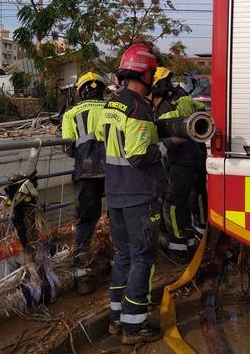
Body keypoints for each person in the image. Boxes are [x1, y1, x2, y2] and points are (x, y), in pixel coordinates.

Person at [96, 44, 181, 345]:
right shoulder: (139, 108)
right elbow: (138, 154)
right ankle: (135, 327)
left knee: (123, 256)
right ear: (145, 74)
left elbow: (103, 141)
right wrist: (167, 144)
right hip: (140, 195)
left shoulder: (111, 105)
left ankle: (116, 320)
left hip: (116, 193)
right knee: (143, 258)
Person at [151, 67, 208, 258]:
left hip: (181, 161)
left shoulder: (165, 109)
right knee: (196, 194)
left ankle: (178, 246)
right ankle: (198, 234)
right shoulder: (183, 96)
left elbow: (163, 136)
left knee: (173, 204)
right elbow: (201, 110)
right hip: (198, 155)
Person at [60, 71, 108, 294]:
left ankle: (83, 274)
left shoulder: (70, 114)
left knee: (86, 220)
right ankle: (121, 265)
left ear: (81, 92)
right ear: (102, 89)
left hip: (85, 172)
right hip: (115, 171)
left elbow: (67, 147)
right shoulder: (111, 109)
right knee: (118, 215)